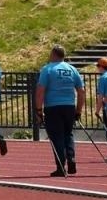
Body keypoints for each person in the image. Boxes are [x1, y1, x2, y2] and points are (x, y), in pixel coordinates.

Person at [35, 46, 83, 177]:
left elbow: (40, 91)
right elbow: (81, 91)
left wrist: (39, 110)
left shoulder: (48, 69)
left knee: (57, 137)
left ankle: (61, 167)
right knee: (68, 134)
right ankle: (71, 158)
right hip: (69, 106)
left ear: (53, 54)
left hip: (53, 107)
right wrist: (78, 110)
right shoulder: (72, 69)